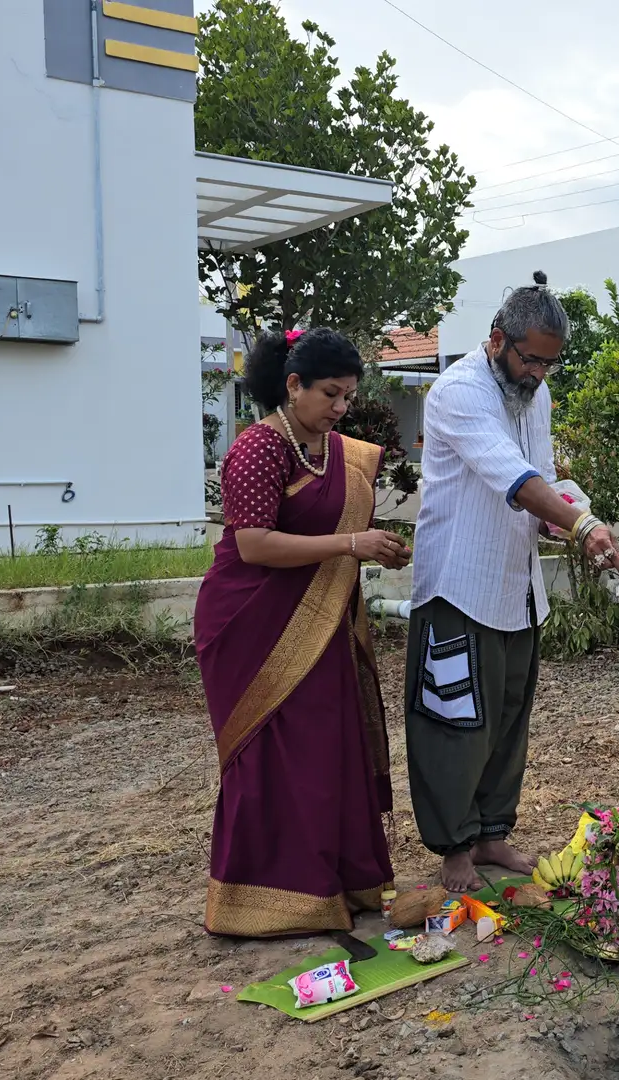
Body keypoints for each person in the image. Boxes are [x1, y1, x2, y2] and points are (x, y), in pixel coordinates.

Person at [407, 272, 619, 893]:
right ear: (498, 339)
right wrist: (580, 524)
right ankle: (454, 846)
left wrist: (575, 516)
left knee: (507, 720)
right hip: (459, 585)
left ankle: (491, 834)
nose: (538, 374)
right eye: (531, 360)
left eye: (549, 364)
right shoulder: (459, 391)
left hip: (517, 589)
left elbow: (543, 478)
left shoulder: (536, 395)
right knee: (455, 722)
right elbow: (513, 477)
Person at [195, 327, 413, 937]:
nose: (341, 407)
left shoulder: (336, 452)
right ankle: (264, 900)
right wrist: (350, 544)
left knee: (327, 747)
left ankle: (338, 882)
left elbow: (338, 534)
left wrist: (374, 548)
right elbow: (254, 544)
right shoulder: (258, 448)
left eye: (348, 396)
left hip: (319, 618)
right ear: (293, 385)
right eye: (330, 394)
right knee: (270, 755)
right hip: (249, 622)